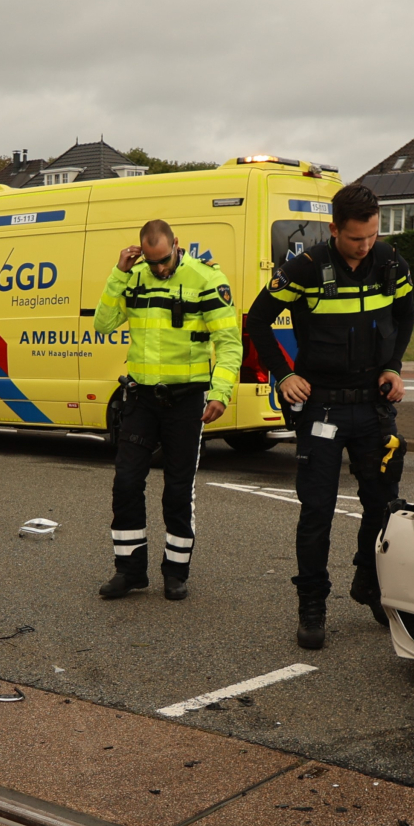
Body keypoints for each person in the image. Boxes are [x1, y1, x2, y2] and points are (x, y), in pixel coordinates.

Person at [245, 183, 414, 649]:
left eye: (372, 236)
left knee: (384, 504)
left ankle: (370, 584)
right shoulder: (305, 267)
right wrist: (282, 374)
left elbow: (405, 317)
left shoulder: (391, 263)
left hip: (373, 404)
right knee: (317, 510)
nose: (365, 247)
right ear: (335, 229)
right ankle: (312, 605)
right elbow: (258, 320)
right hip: (321, 405)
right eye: (356, 238)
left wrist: (393, 367)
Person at [95, 219, 240, 601]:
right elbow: (103, 324)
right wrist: (119, 274)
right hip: (142, 400)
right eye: (151, 260)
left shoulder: (206, 279)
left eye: (163, 259)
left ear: (177, 244)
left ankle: (175, 572)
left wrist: (220, 392)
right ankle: (129, 571)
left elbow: (229, 342)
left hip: (186, 401)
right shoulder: (133, 276)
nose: (159, 268)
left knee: (177, 490)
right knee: (126, 483)